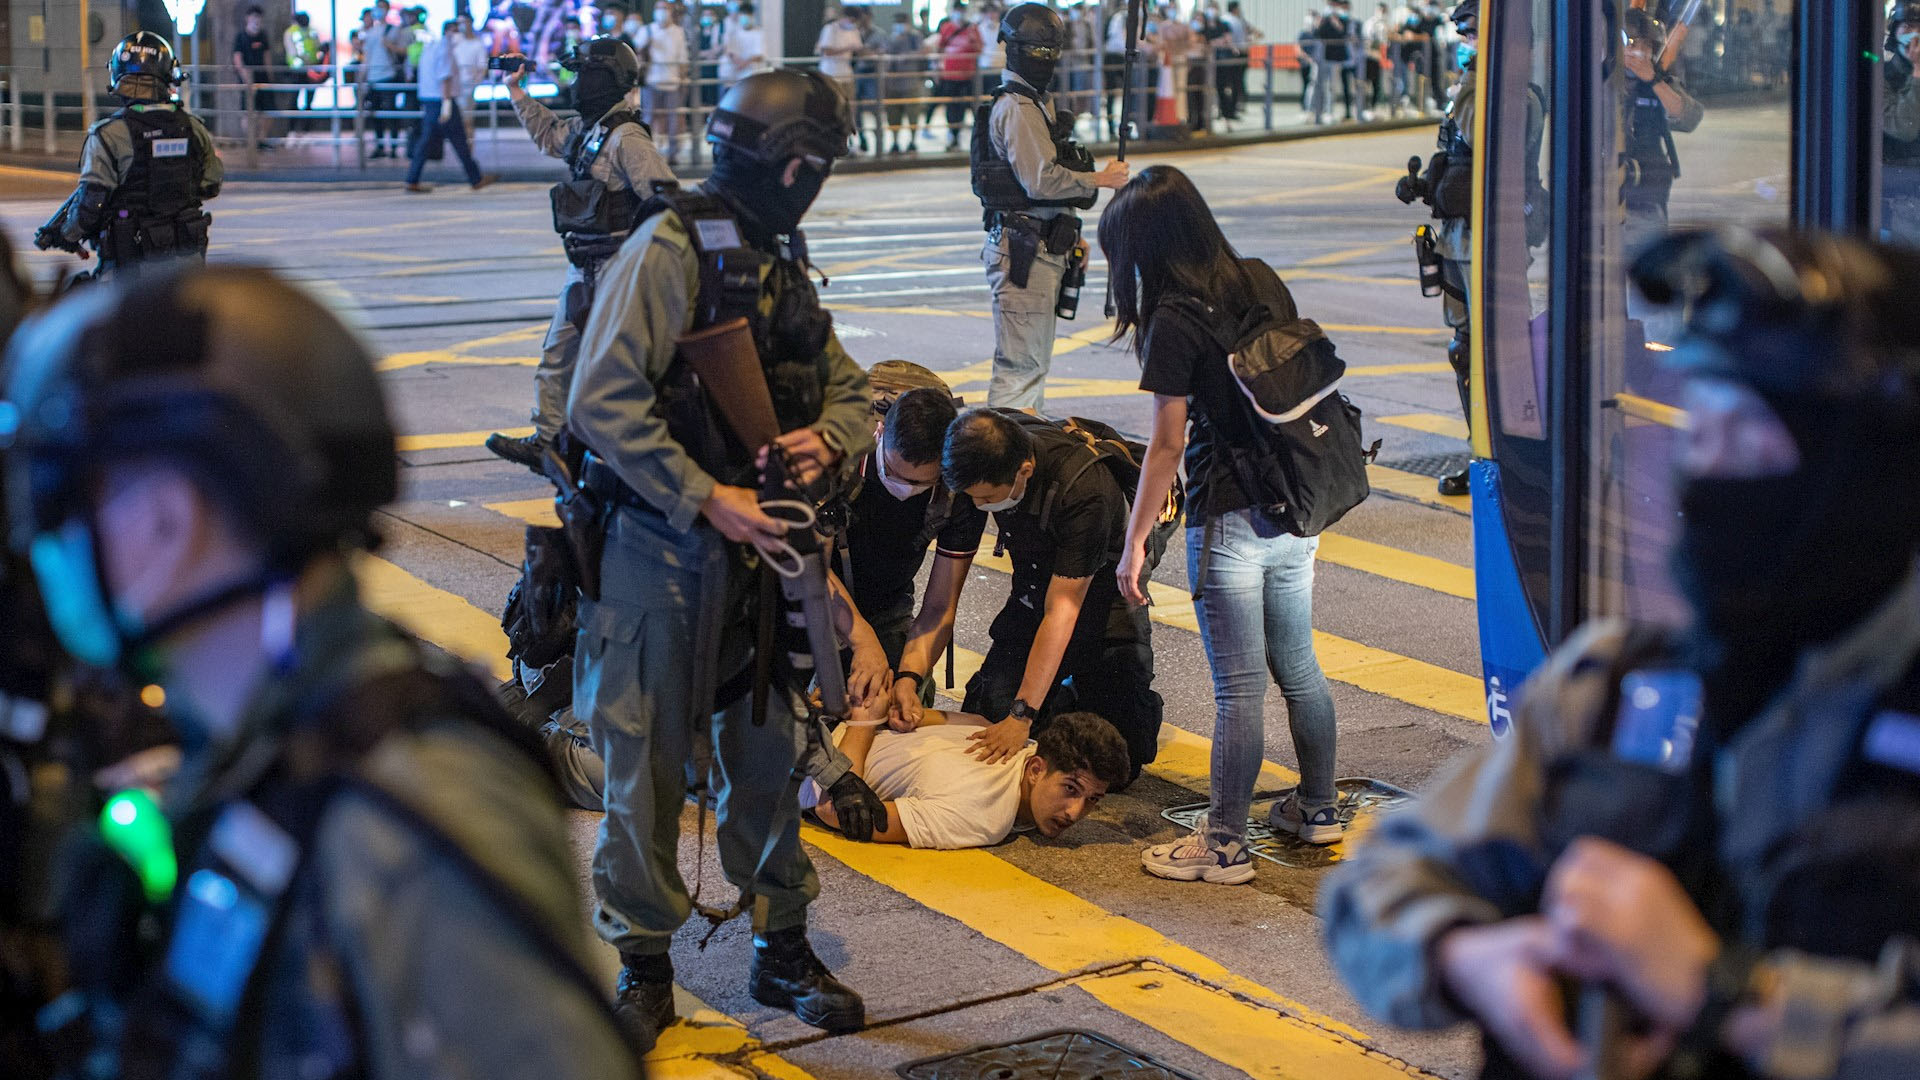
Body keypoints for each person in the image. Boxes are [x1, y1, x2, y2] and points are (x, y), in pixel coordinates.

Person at [2, 264, 642, 1080]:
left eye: (58, 496)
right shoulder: (256, 739)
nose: (37, 541)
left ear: (168, 521)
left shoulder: (407, 818)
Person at [1322, 226, 1920, 1080]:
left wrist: (1732, 1001)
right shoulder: (1615, 685)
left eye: (1752, 438)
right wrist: (1467, 957)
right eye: (1700, 431)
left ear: (1867, 465)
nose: (1710, 473)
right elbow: (1374, 885)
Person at [565, 67, 881, 1050]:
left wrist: (829, 438)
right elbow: (600, 398)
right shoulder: (668, 247)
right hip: (656, 553)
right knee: (642, 770)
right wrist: (709, 497)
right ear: (793, 167)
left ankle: (780, 947)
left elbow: (847, 387)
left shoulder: (777, 256)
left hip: (756, 558)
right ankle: (643, 969)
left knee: (770, 752)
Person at [1093, 166, 1343, 884]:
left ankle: (1225, 843)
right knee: (1298, 665)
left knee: (1238, 689)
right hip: (1294, 503)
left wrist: (1135, 542)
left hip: (1228, 516)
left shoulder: (1172, 320)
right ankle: (1318, 807)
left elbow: (1166, 445)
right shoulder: (1259, 278)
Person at [940, 408, 1164, 786]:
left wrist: (1023, 715)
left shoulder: (1084, 489)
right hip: (1037, 584)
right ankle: (1053, 697)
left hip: (1105, 591)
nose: (978, 507)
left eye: (987, 498)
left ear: (1024, 470)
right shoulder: (984, 447)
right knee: (990, 720)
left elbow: (1063, 609)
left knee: (1114, 764)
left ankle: (1076, 692)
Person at [484, 38, 673, 471]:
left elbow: (665, 200)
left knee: (616, 369)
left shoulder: (627, 138)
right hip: (584, 266)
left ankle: (624, 452)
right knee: (558, 355)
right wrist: (516, 90)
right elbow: (549, 136)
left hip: (619, 268)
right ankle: (548, 444)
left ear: (604, 78)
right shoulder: (589, 130)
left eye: (582, 74)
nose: (576, 84)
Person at [972, 3, 1128, 411]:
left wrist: (1069, 229)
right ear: (1012, 49)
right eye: (1036, 51)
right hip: (1024, 251)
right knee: (1021, 368)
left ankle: (1020, 441)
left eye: (1050, 52)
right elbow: (1040, 180)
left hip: (1038, 245)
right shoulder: (1020, 108)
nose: (1044, 60)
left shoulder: (1036, 102)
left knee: (1031, 364)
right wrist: (1100, 179)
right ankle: (1001, 447)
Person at [34, 32, 222, 277]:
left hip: (129, 278)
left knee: (76, 293)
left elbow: (91, 206)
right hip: (189, 273)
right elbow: (211, 185)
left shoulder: (108, 135)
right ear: (169, 74)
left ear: (117, 74)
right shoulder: (194, 128)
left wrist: (66, 235)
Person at [805, 709, 1128, 849]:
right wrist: (862, 720)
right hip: (795, 768)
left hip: (816, 724)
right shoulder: (982, 814)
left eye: (1092, 799)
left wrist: (865, 713)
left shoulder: (995, 731)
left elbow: (898, 713)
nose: (1075, 813)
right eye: (1070, 789)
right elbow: (835, 811)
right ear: (1035, 769)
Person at [1620, 7, 1704, 248]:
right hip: (1602, 201)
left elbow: (1689, 116)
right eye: (1629, 43)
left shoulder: (1659, 82)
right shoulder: (1601, 80)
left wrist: (1652, 80)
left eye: (1642, 45)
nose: (1635, 51)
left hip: (1644, 200)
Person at [403, 20, 498, 192]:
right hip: (443, 101)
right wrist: (446, 105)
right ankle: (475, 178)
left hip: (430, 100)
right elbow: (445, 77)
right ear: (448, 32)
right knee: (459, 140)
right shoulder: (444, 48)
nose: (459, 34)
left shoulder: (430, 47)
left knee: (428, 141)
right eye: (456, 30)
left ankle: (413, 179)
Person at [633, 1, 692, 165]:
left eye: (665, 8)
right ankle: (646, 152)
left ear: (671, 11)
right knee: (648, 117)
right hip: (651, 81)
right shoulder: (647, 30)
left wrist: (683, 79)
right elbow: (637, 50)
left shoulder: (678, 32)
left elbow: (683, 58)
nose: (661, 12)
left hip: (673, 82)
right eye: (658, 8)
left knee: (674, 119)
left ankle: (673, 154)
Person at [1884, 5, 1920, 242]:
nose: (1914, 34)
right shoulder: (1883, 77)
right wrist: (1918, 71)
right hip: (1902, 199)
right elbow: (1905, 128)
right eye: (1907, 26)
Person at [931, 4, 983, 151]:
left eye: (961, 11)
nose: (959, 14)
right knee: (952, 108)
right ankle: (954, 137)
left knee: (972, 107)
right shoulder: (946, 27)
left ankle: (978, 139)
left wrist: (973, 40)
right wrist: (937, 70)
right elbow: (939, 49)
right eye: (957, 11)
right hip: (950, 75)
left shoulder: (973, 29)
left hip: (968, 75)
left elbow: (980, 49)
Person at [357, 6, 406, 157]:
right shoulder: (369, 33)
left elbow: (402, 50)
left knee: (390, 113)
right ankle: (380, 146)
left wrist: (389, 45)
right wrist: (362, 77)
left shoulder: (393, 29)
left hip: (388, 75)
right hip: (372, 78)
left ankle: (393, 147)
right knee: (375, 114)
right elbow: (366, 57)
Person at [881, 11, 926, 154]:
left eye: (902, 21)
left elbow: (922, 52)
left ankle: (912, 142)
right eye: (897, 22)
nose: (900, 24)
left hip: (911, 82)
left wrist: (907, 56)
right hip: (893, 83)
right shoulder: (890, 38)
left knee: (913, 114)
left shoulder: (915, 37)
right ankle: (895, 142)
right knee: (893, 114)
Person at [231, 6, 275, 147]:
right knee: (248, 111)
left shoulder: (263, 36)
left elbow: (267, 56)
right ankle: (251, 141)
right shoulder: (241, 37)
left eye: (259, 17)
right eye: (254, 16)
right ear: (247, 18)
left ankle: (262, 140)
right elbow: (237, 58)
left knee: (267, 111)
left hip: (263, 79)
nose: (257, 20)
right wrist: (246, 78)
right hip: (248, 80)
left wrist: (270, 76)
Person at [817, 6, 864, 105]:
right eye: (851, 20)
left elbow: (859, 49)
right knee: (833, 104)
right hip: (830, 74)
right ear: (844, 17)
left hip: (847, 74)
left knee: (850, 103)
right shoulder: (830, 29)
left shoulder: (854, 31)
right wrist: (848, 48)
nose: (852, 23)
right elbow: (827, 51)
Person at [716, 1, 768, 89]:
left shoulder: (758, 33)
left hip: (751, 76)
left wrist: (745, 63)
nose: (745, 17)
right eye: (743, 14)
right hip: (733, 78)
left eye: (748, 15)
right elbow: (729, 51)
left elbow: (760, 55)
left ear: (752, 16)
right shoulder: (734, 32)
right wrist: (738, 62)